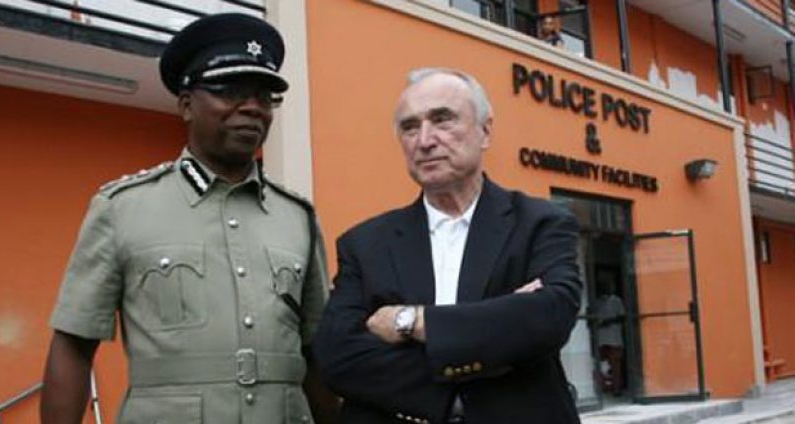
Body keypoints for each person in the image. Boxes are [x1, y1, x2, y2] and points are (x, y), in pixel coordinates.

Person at [40, 13, 336, 424]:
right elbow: (74, 343)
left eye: (264, 96)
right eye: (230, 91)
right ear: (185, 105)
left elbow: (316, 352)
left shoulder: (297, 217)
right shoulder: (122, 208)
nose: (252, 107)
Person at [313, 68, 582, 423]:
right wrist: (472, 374)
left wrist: (410, 321)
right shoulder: (365, 244)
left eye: (442, 120)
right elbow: (337, 357)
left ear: (485, 131)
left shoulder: (540, 223)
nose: (424, 140)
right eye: (410, 127)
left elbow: (548, 319)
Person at [593, 270, 626, 396]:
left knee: (615, 365)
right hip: (601, 339)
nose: (605, 287)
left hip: (614, 338)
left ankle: (617, 389)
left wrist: (608, 321)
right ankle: (604, 388)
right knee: (601, 366)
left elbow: (622, 317)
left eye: (607, 284)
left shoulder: (616, 300)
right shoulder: (596, 301)